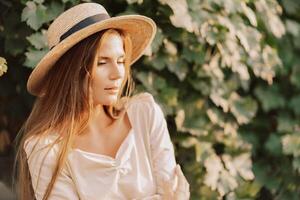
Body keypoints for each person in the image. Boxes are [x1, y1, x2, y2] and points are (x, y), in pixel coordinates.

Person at [13, 3, 190, 200]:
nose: (117, 74)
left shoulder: (144, 115)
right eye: (102, 62)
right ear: (72, 71)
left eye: (121, 61)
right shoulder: (46, 149)